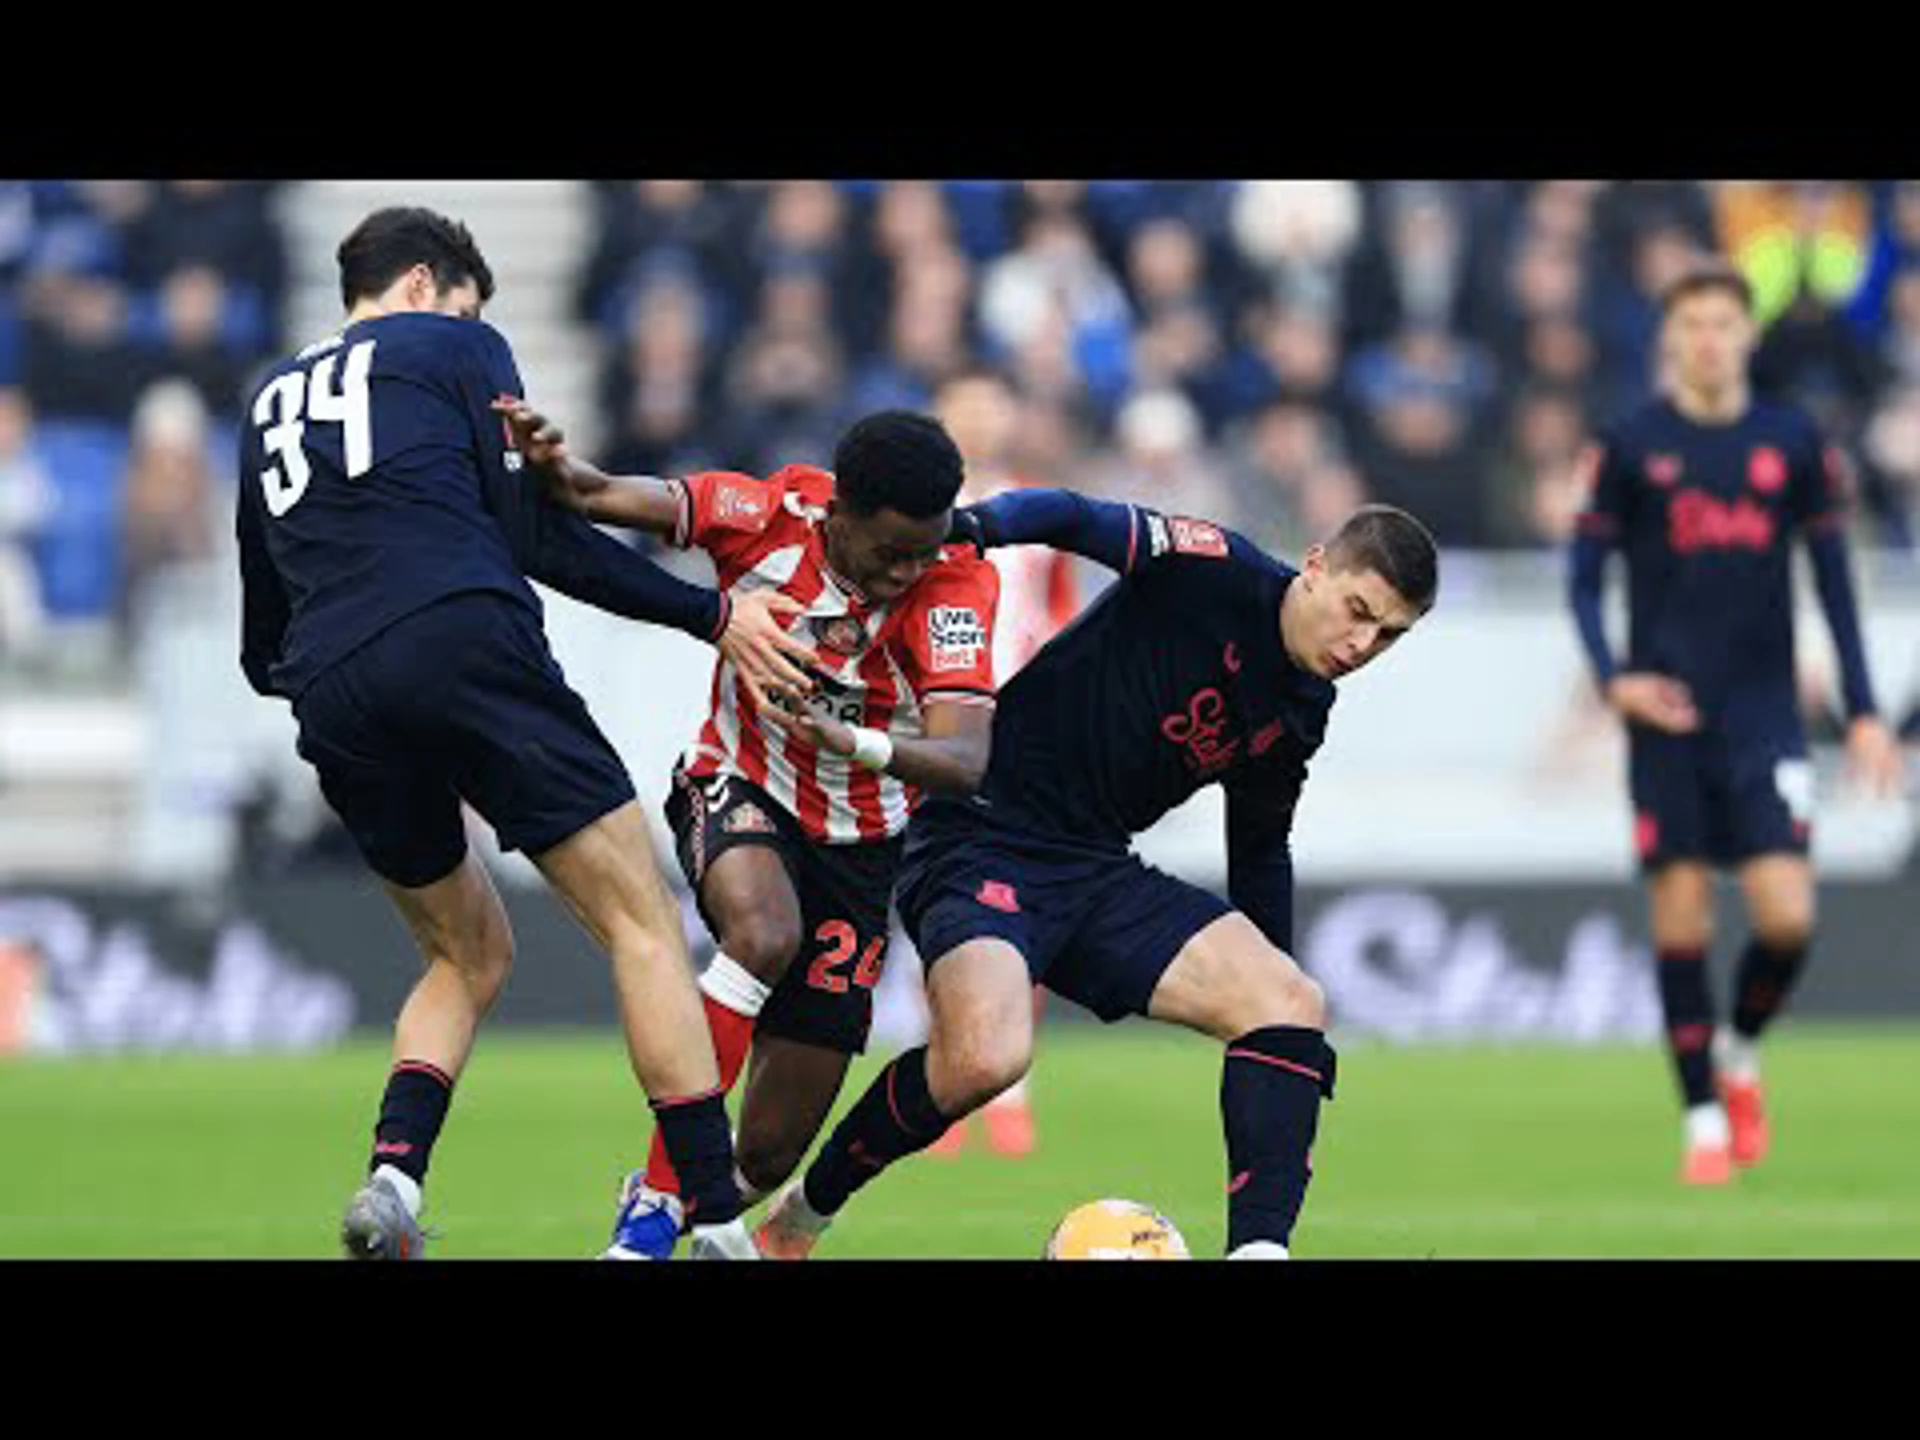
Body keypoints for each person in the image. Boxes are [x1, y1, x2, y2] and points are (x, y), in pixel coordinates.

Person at [235, 205, 816, 1259]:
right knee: (642, 923)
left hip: (331, 686)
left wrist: (351, 687)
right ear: (424, 285)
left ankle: (394, 1184)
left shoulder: (269, 402)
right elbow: (542, 538)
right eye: (466, 300)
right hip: (464, 640)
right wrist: (712, 613)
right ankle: (718, 1224)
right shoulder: (458, 343)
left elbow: (257, 629)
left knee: (465, 953)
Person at [753, 492, 1439, 1259]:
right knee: (985, 1058)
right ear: (1315, 567)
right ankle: (801, 1219)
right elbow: (1078, 519)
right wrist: (974, 530)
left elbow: (1258, 851)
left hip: (1093, 865)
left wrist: (1271, 985)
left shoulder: (1304, 706)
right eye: (1357, 610)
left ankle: (1259, 1253)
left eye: (1387, 635)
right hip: (977, 831)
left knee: (1289, 1003)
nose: (1361, 643)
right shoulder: (1213, 567)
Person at [494, 399, 1001, 1259]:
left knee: (765, 1153)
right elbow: (600, 494)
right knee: (764, 931)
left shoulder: (956, 585)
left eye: (924, 551)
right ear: (837, 512)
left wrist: (853, 740)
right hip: (738, 781)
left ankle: (676, 1198)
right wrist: (553, 467)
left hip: (863, 847)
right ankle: (654, 1209)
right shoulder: (765, 516)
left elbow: (964, 759)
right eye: (888, 553)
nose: (906, 573)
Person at [1567, 257, 1906, 1186]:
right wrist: (1615, 682)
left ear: (1746, 335)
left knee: (1787, 920)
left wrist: (1867, 713)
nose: (1709, 339)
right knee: (1681, 921)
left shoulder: (1793, 444)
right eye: (1693, 325)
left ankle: (1741, 1047)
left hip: (1765, 720)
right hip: (1666, 717)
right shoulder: (1631, 444)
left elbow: (1834, 584)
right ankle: (1704, 1121)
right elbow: (1585, 580)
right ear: (1671, 339)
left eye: (1724, 323)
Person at [922, 365, 1079, 1159]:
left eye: (990, 405)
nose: (980, 420)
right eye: (965, 405)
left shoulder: (1032, 513)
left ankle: (1011, 1087)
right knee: (939, 903)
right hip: (940, 728)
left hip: (1019, 738)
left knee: (1025, 898)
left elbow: (1062, 622)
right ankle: (947, 1074)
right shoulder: (920, 513)